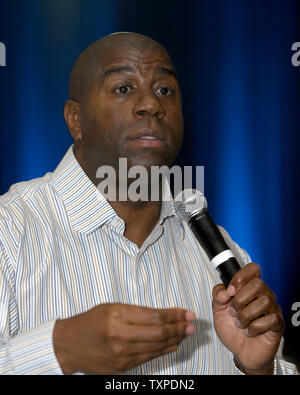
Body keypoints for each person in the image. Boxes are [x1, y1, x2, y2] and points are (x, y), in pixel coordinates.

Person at [0, 32, 297, 375]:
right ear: (75, 120)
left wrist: (258, 369)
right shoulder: (10, 230)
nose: (152, 105)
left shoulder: (222, 253)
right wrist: (60, 350)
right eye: (124, 88)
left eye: (165, 90)